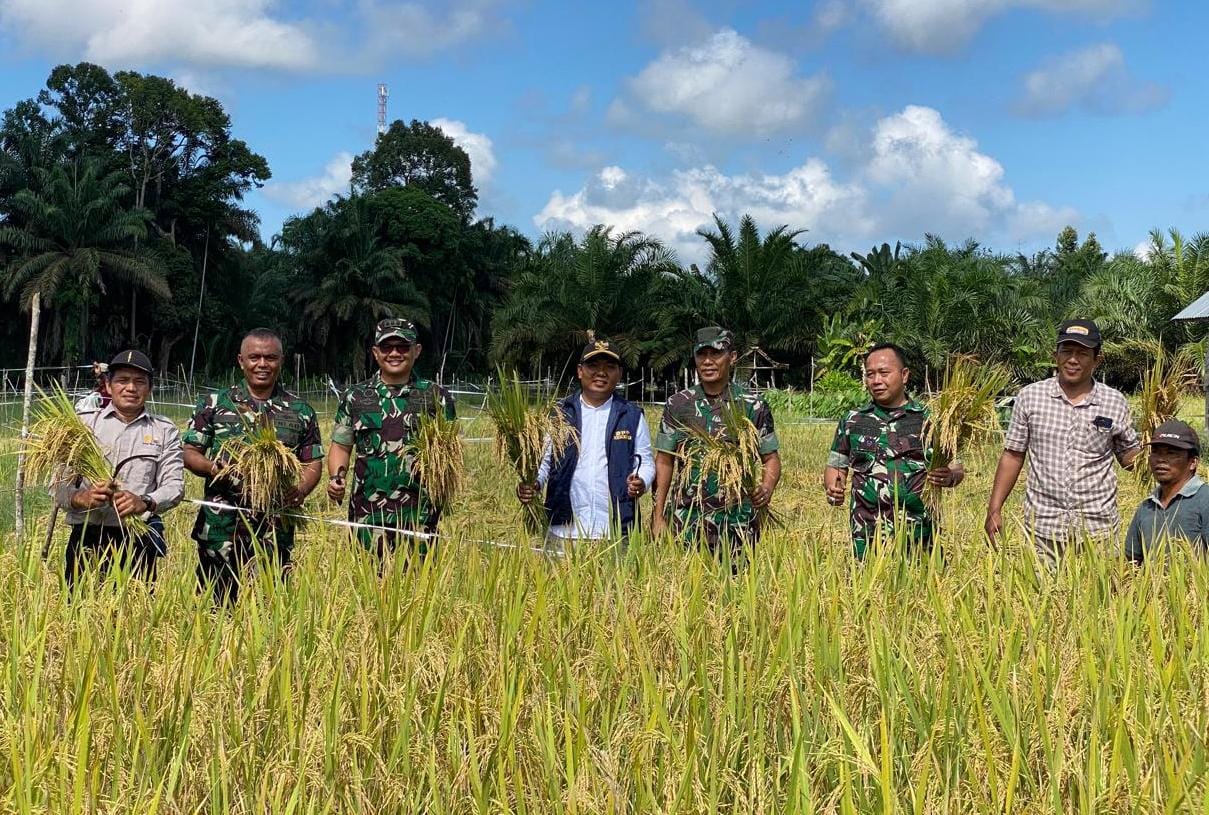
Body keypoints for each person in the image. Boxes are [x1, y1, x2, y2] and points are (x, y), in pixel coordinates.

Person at [182, 328, 323, 601]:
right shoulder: (213, 404)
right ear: (241, 360)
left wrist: (301, 490)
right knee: (216, 606)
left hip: (275, 526)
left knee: (272, 605)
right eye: (254, 357)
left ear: (281, 361)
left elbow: (312, 462)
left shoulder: (300, 411)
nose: (262, 364)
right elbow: (190, 452)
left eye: (270, 358)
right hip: (222, 527)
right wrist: (214, 468)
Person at [984, 319, 1140, 565]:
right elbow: (1013, 455)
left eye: (1082, 353)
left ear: (1097, 360)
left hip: (1097, 527)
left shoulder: (1114, 402)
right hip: (1043, 526)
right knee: (1037, 598)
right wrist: (994, 509)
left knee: (1099, 599)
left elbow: (1129, 457)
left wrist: (1154, 452)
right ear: (1055, 355)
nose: (1073, 359)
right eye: (1066, 351)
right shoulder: (1030, 397)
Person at [326, 318, 456, 558]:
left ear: (416, 351)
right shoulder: (355, 397)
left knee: (420, 590)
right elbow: (341, 445)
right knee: (367, 588)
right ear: (376, 353)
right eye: (386, 347)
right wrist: (337, 477)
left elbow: (448, 455)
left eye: (402, 347)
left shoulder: (436, 396)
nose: (394, 353)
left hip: (419, 516)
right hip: (368, 515)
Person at [54, 350, 184, 587]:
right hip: (87, 537)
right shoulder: (83, 425)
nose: (131, 388)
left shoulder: (165, 430)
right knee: (79, 616)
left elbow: (174, 486)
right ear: (108, 384)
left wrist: (145, 502)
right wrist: (81, 498)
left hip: (137, 539)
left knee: (134, 619)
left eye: (139, 382)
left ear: (150, 388)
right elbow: (58, 487)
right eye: (122, 380)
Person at [824, 343, 964, 558]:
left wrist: (950, 476)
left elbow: (956, 466)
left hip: (919, 533)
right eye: (870, 375)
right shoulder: (852, 420)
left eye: (884, 373)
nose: (876, 381)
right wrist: (833, 487)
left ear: (904, 375)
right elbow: (836, 465)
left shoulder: (930, 420)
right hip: (867, 533)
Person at [651, 326, 781, 555]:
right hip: (686, 521)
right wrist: (657, 515)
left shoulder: (753, 406)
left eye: (716, 354)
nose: (708, 361)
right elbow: (664, 461)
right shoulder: (679, 404)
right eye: (702, 354)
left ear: (732, 357)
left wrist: (767, 487)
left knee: (739, 586)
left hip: (738, 523)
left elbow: (770, 458)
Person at [516, 337, 654, 551]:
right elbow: (544, 462)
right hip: (563, 529)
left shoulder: (632, 416)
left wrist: (642, 481)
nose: (601, 372)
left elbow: (646, 461)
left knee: (617, 585)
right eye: (593, 366)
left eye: (609, 367)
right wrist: (533, 484)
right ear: (580, 371)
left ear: (619, 374)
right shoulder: (559, 414)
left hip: (615, 532)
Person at [1124, 420, 1209, 562]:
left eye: (1171, 453)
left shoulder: (1204, 501)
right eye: (1156, 452)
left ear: (1193, 462)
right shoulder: (1146, 507)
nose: (1161, 460)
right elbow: (1132, 562)